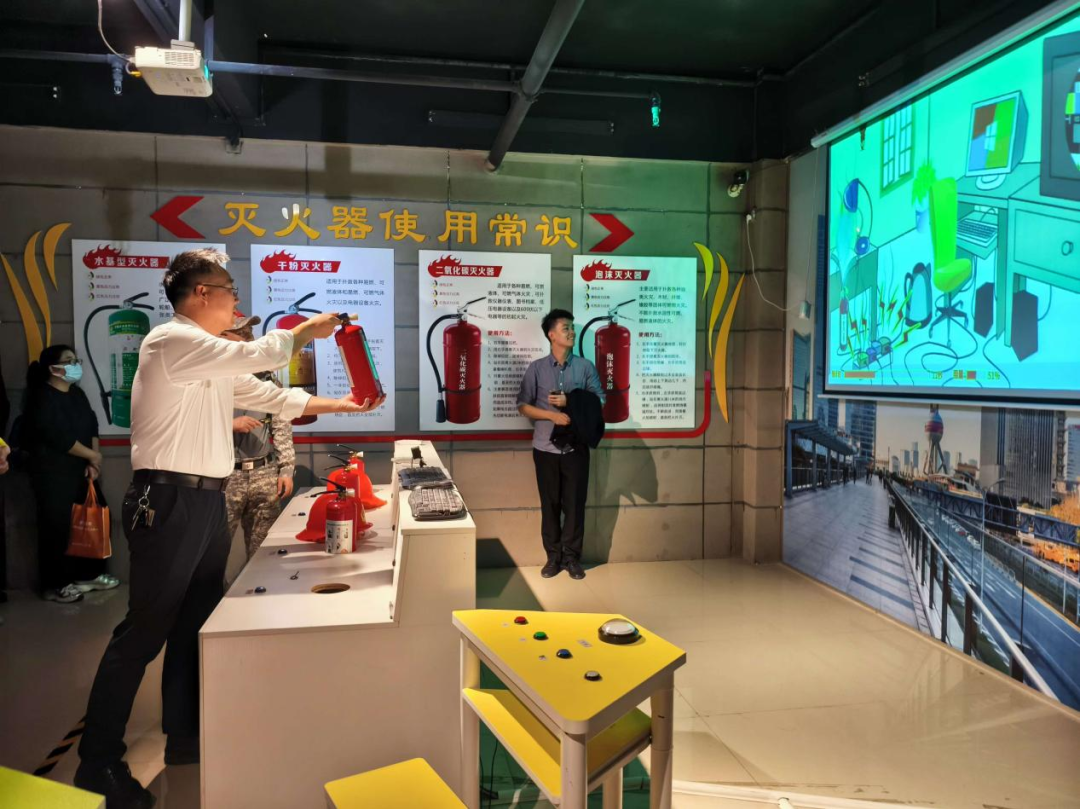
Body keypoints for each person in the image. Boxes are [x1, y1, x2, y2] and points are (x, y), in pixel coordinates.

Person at [75, 249, 385, 809]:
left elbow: (269, 396)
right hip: (167, 500)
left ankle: (187, 736)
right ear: (202, 294)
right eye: (230, 290)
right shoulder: (171, 341)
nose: (235, 300)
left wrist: (345, 403)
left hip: (205, 500)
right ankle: (97, 763)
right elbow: (260, 352)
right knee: (143, 633)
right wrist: (305, 331)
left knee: (196, 620)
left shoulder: (208, 360)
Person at [21, 345, 118, 603]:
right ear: (53, 368)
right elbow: (56, 436)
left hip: (82, 471)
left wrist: (94, 460)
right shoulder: (41, 397)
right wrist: (91, 456)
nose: (75, 365)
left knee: (92, 520)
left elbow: (92, 424)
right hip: (53, 474)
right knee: (57, 528)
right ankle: (56, 585)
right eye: (69, 361)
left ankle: (87, 576)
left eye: (76, 360)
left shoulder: (77, 394)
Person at [517, 309, 604, 581]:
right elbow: (523, 406)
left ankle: (572, 558)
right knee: (550, 504)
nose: (571, 332)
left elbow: (600, 401)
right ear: (551, 335)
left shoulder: (585, 367)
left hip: (576, 448)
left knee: (575, 505)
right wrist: (551, 415)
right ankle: (553, 558)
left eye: (572, 327)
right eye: (565, 328)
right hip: (545, 448)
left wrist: (571, 401)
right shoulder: (537, 368)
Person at [221, 313, 295, 563]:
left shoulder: (267, 378)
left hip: (264, 474)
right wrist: (230, 424)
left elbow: (281, 425)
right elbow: (192, 421)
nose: (248, 337)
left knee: (263, 552)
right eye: (240, 333)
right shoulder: (212, 377)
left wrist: (286, 469)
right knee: (214, 551)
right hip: (225, 476)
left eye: (249, 332)